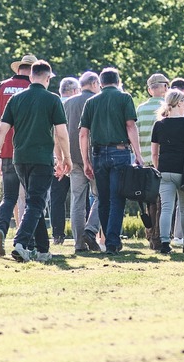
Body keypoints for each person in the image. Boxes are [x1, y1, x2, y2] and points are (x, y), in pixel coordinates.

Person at [0, 59, 70, 263]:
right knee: (36, 202)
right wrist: (66, 159)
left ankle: (43, 250)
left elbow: (2, 130)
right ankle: (21, 243)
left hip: (19, 158)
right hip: (42, 158)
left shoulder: (15, 100)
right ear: (47, 78)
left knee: (34, 202)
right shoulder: (53, 99)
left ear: (30, 76)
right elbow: (61, 133)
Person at [79, 66, 142, 255]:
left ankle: (107, 240)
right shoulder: (124, 98)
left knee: (103, 199)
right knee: (117, 198)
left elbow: (83, 134)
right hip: (120, 152)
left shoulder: (91, 102)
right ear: (118, 81)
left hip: (97, 154)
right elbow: (130, 126)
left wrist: (86, 161)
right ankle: (113, 242)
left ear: (100, 83)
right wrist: (138, 154)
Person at [0, 51, 36, 257]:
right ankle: (25, 239)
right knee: (32, 199)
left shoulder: (2, 86)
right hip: (29, 150)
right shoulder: (34, 89)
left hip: (5, 149)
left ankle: (1, 230)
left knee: (9, 197)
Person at [150, 89, 184, 255]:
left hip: (165, 169)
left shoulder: (159, 124)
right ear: (179, 103)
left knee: (166, 208)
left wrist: (159, 168)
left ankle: (165, 243)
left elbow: (154, 153)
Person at [64, 70, 101, 254]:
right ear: (94, 83)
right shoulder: (97, 101)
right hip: (93, 156)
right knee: (102, 196)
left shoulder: (68, 103)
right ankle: (91, 230)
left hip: (72, 157)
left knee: (77, 200)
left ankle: (78, 244)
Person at [134, 73, 169, 245]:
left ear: (149, 90)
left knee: (150, 200)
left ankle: (151, 234)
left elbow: (136, 133)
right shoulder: (168, 107)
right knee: (163, 200)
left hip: (145, 160)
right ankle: (160, 235)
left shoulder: (140, 109)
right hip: (163, 159)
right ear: (165, 87)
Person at [50, 77, 80, 244]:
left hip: (56, 158)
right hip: (76, 157)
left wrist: (58, 159)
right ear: (75, 91)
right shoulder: (80, 104)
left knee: (57, 198)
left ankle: (57, 235)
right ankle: (82, 233)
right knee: (80, 196)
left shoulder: (54, 104)